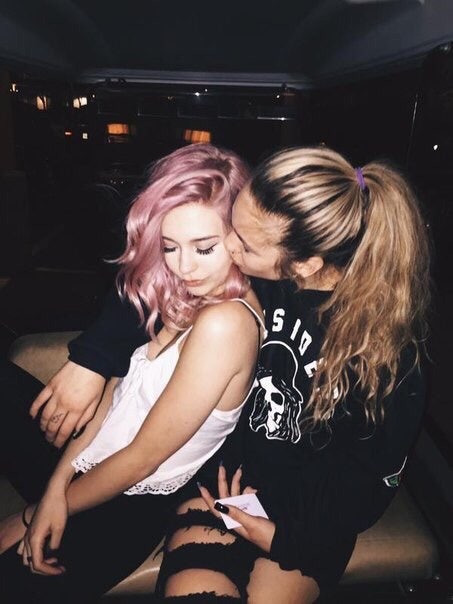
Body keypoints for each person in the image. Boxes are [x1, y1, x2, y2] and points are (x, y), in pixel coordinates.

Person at [20, 145, 430, 602]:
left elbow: (368, 478)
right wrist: (91, 361)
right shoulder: (264, 277)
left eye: (244, 243)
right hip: (221, 489)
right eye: (232, 225)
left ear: (305, 264)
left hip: (305, 524)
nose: (230, 245)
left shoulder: (386, 358)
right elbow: (146, 287)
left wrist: (281, 538)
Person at [0, 143, 264, 603]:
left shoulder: (227, 323)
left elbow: (142, 458)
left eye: (204, 248)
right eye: (170, 246)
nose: (182, 266)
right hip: (89, 462)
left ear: (241, 237)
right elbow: (115, 395)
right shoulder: (187, 295)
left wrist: (38, 511)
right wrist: (58, 481)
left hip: (130, 501)